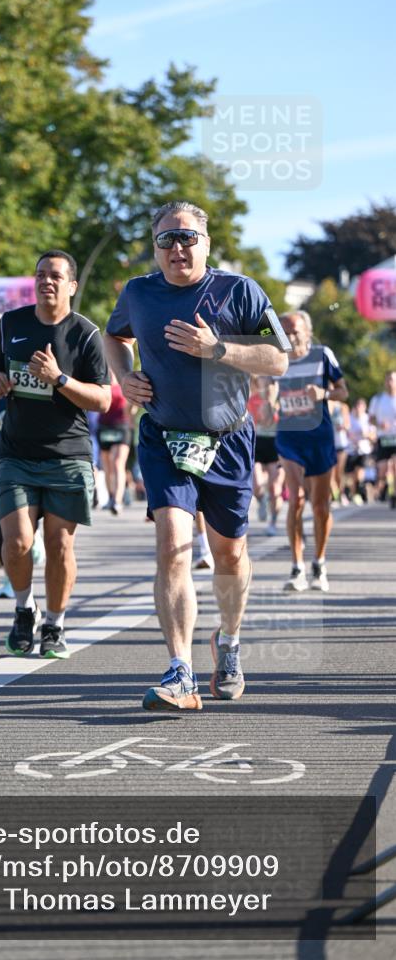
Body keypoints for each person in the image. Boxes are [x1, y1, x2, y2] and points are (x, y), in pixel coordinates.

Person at [104, 199, 290, 712]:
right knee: (172, 545)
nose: (177, 247)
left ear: (206, 243)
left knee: (229, 555)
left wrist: (217, 349)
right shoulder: (138, 293)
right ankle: (179, 671)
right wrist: (124, 377)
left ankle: (228, 641)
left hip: (227, 439)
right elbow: (112, 336)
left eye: (187, 238)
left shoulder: (239, 291)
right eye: (166, 239)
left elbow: (277, 358)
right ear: (154, 247)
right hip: (164, 437)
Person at [0, 249, 111, 659]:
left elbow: (103, 400)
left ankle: (55, 623)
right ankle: (25, 609)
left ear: (71, 285)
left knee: (59, 546)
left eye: (55, 275)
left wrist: (58, 378)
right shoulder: (11, 324)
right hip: (16, 452)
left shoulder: (87, 335)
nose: (46, 281)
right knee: (17, 540)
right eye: (40, 274)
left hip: (67, 455)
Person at [275, 311, 349, 592]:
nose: (290, 336)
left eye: (295, 330)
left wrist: (324, 395)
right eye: (284, 331)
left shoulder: (322, 355)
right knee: (296, 499)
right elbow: (268, 389)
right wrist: (270, 404)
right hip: (290, 437)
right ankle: (297, 568)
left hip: (319, 437)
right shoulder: (276, 357)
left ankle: (319, 561)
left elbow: (343, 391)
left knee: (320, 507)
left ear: (307, 331)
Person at [248, 375, 284, 535]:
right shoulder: (253, 400)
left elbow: (275, 420)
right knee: (256, 484)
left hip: (277, 444)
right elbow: (258, 421)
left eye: (268, 384)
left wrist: (271, 404)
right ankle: (261, 499)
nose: (265, 388)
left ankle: (273, 522)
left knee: (275, 488)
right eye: (262, 384)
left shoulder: (281, 402)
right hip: (259, 442)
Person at [97, 371, 134, 514]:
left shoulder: (124, 381)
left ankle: (117, 501)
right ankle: (111, 496)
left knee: (118, 462)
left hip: (121, 426)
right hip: (104, 426)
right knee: (107, 465)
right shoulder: (101, 381)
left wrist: (131, 413)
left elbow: (131, 405)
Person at [369, 370, 396, 509]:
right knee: (382, 469)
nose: (390, 382)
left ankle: (394, 495)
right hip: (384, 438)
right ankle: (385, 489)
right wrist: (380, 424)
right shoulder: (378, 399)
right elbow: (371, 418)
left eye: (392, 379)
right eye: (388, 380)